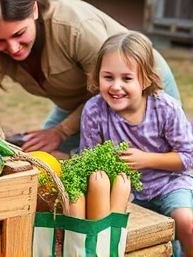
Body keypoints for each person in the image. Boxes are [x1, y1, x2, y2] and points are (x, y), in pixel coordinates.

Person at [0, 0, 181, 158]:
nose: (13, 48)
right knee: (41, 157)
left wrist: (61, 131)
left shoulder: (76, 27)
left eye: (19, 34)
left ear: (34, 10)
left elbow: (112, 89)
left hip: (136, 90)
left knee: (148, 177)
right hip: (82, 102)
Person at [80, 31, 193, 256]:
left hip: (168, 183)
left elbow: (187, 157)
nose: (116, 86)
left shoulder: (165, 108)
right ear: (97, 76)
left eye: (127, 78)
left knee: (186, 223)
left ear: (146, 79)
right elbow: (88, 159)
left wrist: (147, 159)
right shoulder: (94, 111)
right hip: (124, 189)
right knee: (128, 238)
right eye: (108, 77)